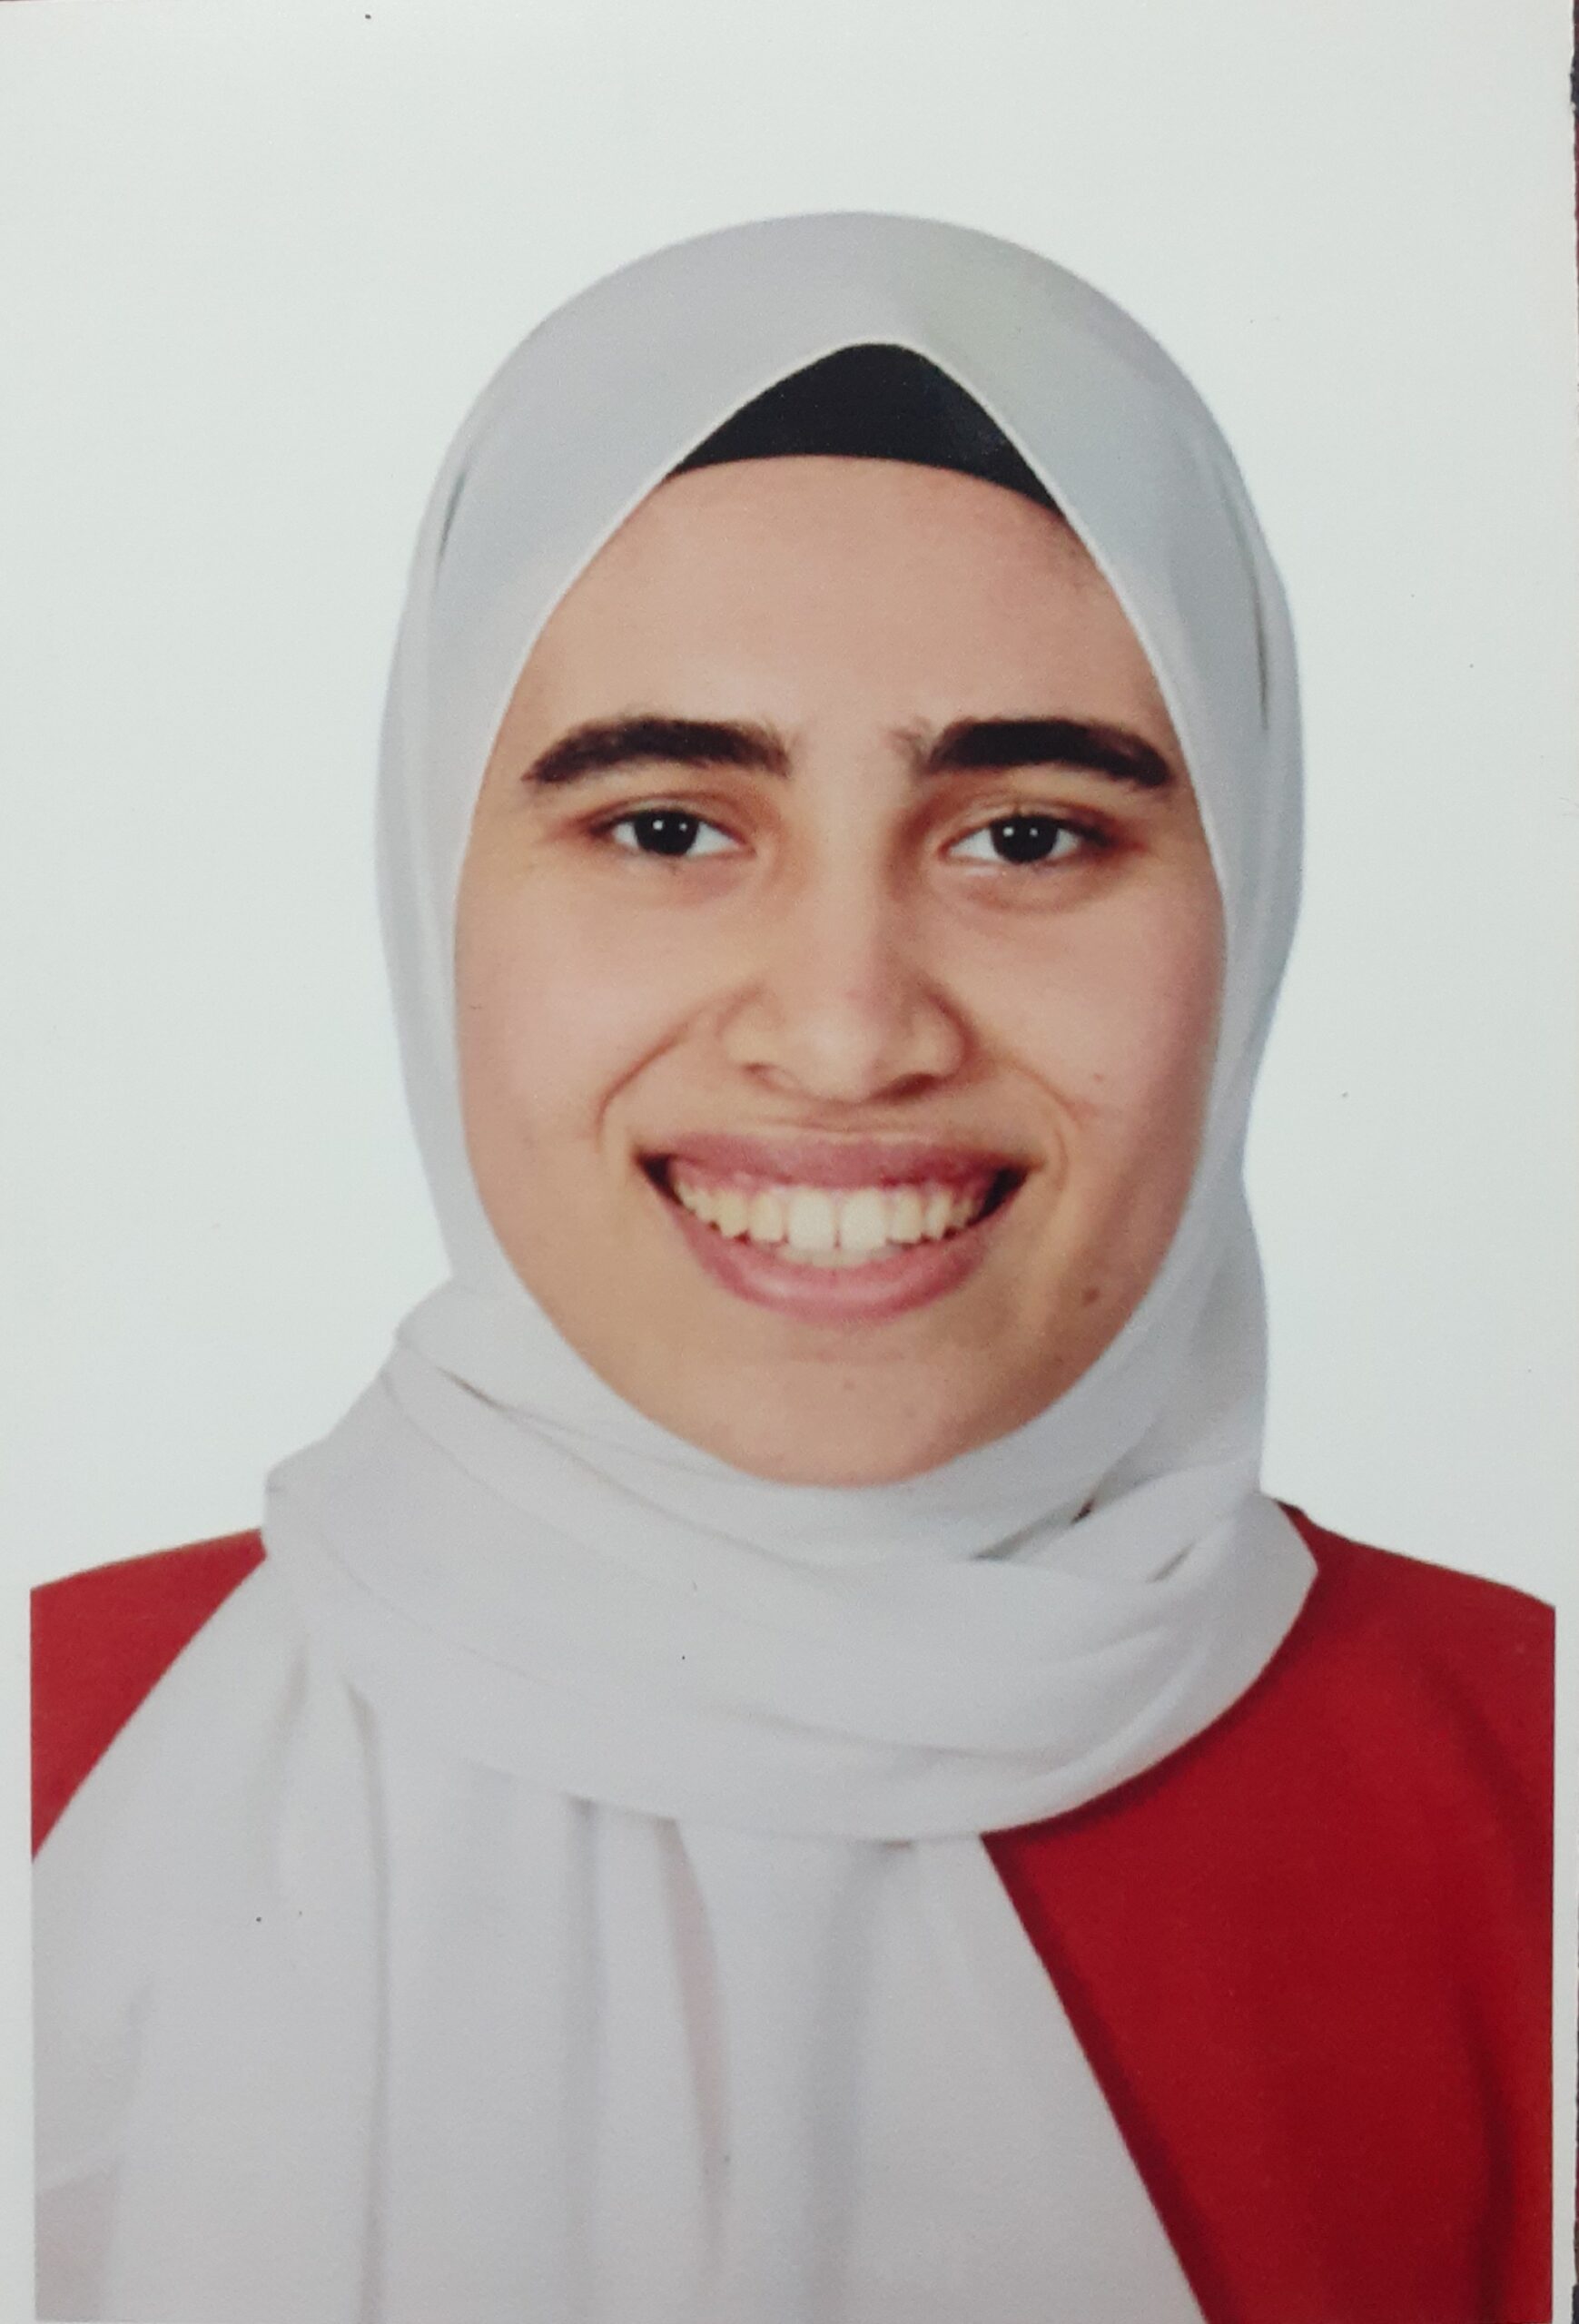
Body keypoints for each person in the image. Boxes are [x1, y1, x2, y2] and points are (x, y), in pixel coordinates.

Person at [31, 213, 1553, 2324]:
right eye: (668, 826)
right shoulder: (54, 1764)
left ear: (1249, 896)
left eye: (1029, 832)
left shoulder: (1534, 1804)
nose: (846, 1032)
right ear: (433, 885)